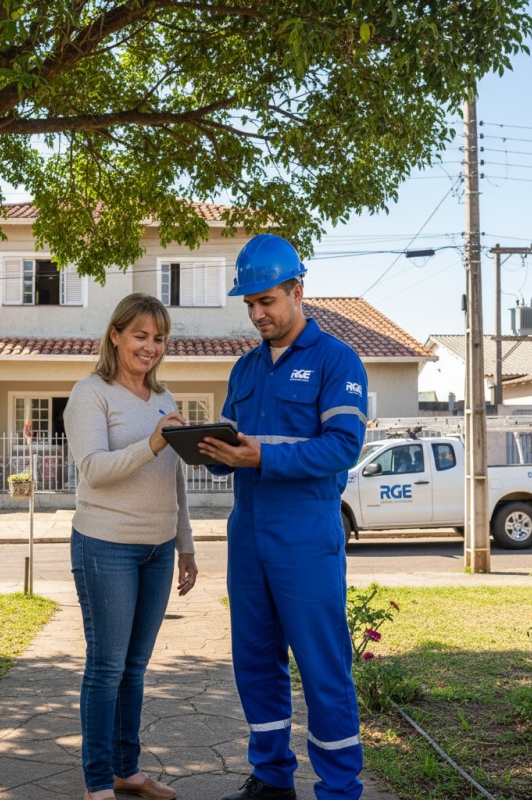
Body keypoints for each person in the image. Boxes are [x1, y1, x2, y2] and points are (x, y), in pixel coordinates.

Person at [199, 235, 368, 800]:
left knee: (322, 666)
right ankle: (272, 780)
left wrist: (262, 456)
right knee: (254, 661)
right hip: (248, 532)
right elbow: (235, 446)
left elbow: (343, 447)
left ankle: (339, 789)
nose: (256, 314)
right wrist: (211, 450)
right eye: (249, 304)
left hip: (305, 534)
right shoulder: (244, 370)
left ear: (297, 290)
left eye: (266, 300)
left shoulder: (336, 360)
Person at [64, 293, 198, 800]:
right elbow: (94, 471)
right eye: (140, 335)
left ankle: (128, 770)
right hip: (106, 546)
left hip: (158, 549)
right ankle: (98, 782)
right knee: (106, 666)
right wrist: (154, 442)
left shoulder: (164, 399)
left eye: (159, 338)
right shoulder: (90, 393)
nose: (151, 346)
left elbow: (174, 478)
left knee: (136, 668)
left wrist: (185, 545)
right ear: (115, 335)